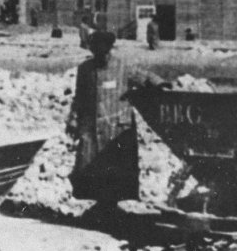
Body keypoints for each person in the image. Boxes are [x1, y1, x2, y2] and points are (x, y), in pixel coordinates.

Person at [65, 30, 168, 215]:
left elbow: (144, 76)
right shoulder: (85, 69)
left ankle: (111, 205)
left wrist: (160, 84)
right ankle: (101, 204)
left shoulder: (122, 66)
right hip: (92, 127)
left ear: (110, 49)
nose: (101, 54)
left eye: (104, 50)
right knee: (91, 165)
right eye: (96, 49)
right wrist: (73, 120)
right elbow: (79, 97)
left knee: (116, 167)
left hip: (116, 129)